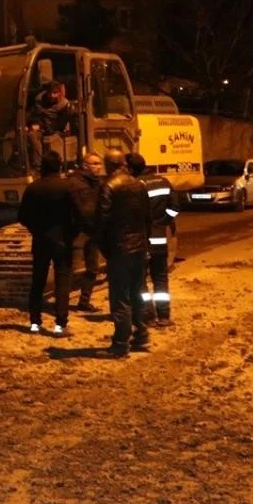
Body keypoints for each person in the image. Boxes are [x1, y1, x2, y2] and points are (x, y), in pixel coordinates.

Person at [17, 150, 82, 337]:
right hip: (63, 241)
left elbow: (22, 216)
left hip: (40, 240)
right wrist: (73, 233)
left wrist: (36, 230)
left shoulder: (32, 188)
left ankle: (34, 323)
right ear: (60, 166)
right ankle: (60, 325)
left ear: (42, 167)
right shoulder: (68, 187)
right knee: (62, 283)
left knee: (38, 282)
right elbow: (78, 214)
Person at [96, 149, 151, 358]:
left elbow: (102, 221)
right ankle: (141, 334)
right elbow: (147, 218)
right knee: (137, 293)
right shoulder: (139, 185)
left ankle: (120, 344)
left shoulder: (108, 186)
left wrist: (105, 249)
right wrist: (145, 244)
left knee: (120, 298)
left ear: (108, 164)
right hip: (139, 247)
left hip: (120, 249)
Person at [127, 153, 178, 326]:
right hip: (160, 239)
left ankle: (147, 316)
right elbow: (175, 207)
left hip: (142, 241)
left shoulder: (135, 185)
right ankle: (164, 316)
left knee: (140, 280)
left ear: (131, 169)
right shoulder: (163, 181)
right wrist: (164, 221)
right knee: (160, 278)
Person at [66, 152, 105, 313]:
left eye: (99, 163)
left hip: (92, 231)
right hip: (78, 231)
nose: (98, 167)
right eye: (94, 164)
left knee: (93, 268)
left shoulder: (98, 183)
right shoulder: (74, 183)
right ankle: (62, 303)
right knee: (70, 269)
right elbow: (82, 209)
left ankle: (84, 301)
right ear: (85, 166)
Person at [26, 80, 77, 174]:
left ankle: (45, 167)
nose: (52, 96)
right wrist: (33, 124)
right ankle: (36, 166)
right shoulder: (39, 100)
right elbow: (35, 114)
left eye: (55, 93)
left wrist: (55, 130)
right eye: (50, 93)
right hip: (41, 127)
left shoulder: (64, 105)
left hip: (55, 129)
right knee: (31, 135)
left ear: (59, 93)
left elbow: (63, 122)